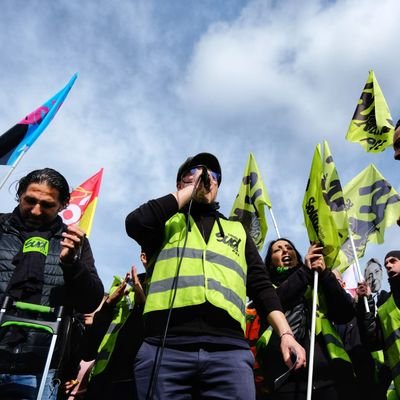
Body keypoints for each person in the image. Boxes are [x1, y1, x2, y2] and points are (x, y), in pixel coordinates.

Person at [125, 152, 306, 400]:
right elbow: (136, 222)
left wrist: (286, 334)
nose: (206, 178)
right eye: (196, 172)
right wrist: (189, 192)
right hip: (165, 348)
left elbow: (262, 287)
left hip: (229, 351)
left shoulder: (237, 230)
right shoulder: (165, 223)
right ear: (180, 184)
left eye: (213, 175)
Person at [0, 168, 104, 400]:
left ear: (63, 205)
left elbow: (91, 301)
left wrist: (71, 264)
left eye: (46, 205)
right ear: (19, 195)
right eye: (30, 201)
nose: (36, 211)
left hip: (40, 368)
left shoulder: (74, 242)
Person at [256, 238, 355, 400]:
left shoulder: (316, 282)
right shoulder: (266, 288)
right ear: (271, 263)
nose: (285, 251)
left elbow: (346, 313)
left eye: (289, 247)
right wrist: (305, 272)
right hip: (286, 380)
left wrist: (324, 275)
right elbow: (275, 300)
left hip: (329, 377)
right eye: (277, 250)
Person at [80, 253, 147, 400]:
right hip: (102, 383)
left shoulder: (167, 292)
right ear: (143, 257)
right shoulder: (124, 290)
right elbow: (88, 350)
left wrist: (141, 307)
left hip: (136, 384)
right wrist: (108, 305)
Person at [357, 250, 400, 399]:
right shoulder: (385, 305)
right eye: (386, 263)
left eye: (393, 261)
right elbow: (375, 341)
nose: (388, 265)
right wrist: (366, 303)